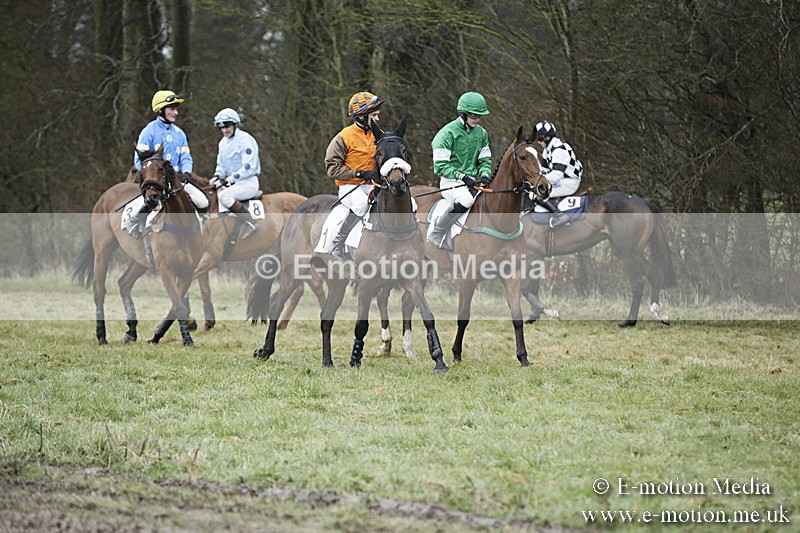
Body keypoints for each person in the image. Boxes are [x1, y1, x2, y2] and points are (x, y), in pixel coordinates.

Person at [128, 90, 208, 237]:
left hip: (177, 180)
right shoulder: (148, 131)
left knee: (203, 201)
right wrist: (150, 177)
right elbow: (138, 161)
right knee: (150, 204)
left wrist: (187, 172)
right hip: (156, 182)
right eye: (172, 109)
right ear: (161, 110)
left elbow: (186, 157)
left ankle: (202, 230)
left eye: (176, 109)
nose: (176, 112)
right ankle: (135, 224)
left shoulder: (180, 133)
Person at [321, 91, 384, 261]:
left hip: (373, 185)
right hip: (350, 187)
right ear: (362, 116)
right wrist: (360, 173)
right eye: (374, 115)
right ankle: (338, 243)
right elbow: (332, 169)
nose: (377, 119)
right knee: (361, 204)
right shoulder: (343, 137)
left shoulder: (379, 134)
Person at [427, 91, 492, 250]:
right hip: (451, 182)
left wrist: (484, 175)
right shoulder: (446, 134)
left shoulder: (482, 133)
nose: (477, 119)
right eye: (473, 116)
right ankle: (437, 233)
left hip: (473, 181)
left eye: (479, 116)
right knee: (466, 201)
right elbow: (440, 166)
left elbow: (485, 160)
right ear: (463, 114)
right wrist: (462, 176)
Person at [210, 107, 262, 239]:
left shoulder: (246, 140)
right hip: (232, 184)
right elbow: (221, 165)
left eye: (227, 126)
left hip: (248, 182)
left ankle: (251, 222)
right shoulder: (222, 143)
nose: (224, 130)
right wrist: (217, 176)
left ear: (235, 125)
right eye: (221, 127)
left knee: (224, 196)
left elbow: (249, 167)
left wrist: (230, 179)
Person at [531, 120, 583, 227]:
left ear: (547, 137)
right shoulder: (547, 150)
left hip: (570, 182)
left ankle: (559, 215)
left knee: (537, 193)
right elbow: (544, 170)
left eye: (539, 139)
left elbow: (555, 176)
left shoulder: (559, 150)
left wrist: (538, 181)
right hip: (562, 178)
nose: (538, 142)